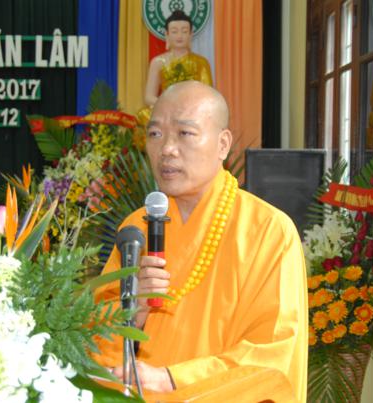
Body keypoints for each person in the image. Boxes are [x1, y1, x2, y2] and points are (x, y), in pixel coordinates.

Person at [95, 81, 307, 401]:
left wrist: (171, 379)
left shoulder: (268, 231)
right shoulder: (135, 229)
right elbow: (94, 344)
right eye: (155, 134)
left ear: (222, 144)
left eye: (185, 133)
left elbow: (272, 354)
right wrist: (134, 309)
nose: (167, 148)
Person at [136, 11, 213, 128]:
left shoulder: (201, 62)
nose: (179, 36)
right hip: (167, 109)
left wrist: (189, 107)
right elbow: (149, 97)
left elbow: (208, 95)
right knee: (143, 115)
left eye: (184, 31)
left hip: (192, 110)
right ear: (167, 34)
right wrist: (170, 105)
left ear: (191, 34)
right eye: (174, 31)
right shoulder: (158, 62)